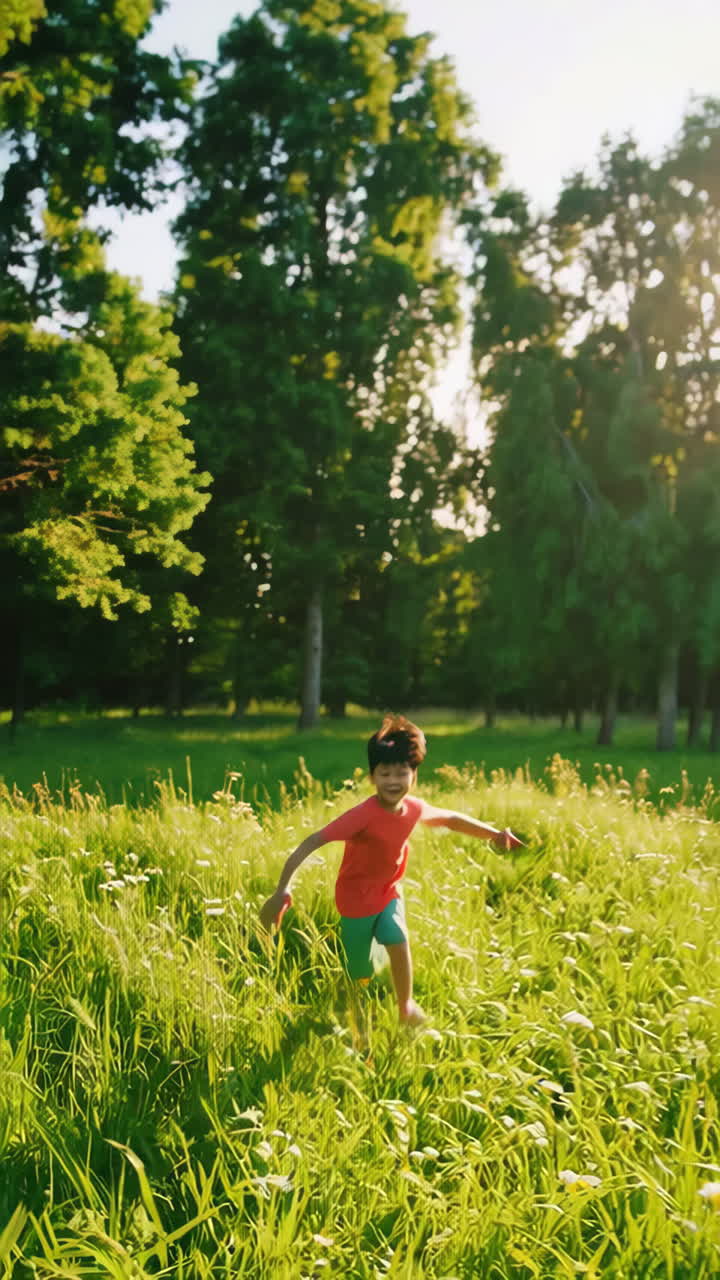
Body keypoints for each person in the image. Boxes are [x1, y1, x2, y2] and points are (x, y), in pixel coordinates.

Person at [259, 714, 523, 1028]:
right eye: (385, 774)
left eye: (402, 773)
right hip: (355, 901)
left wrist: (494, 834)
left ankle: (405, 1007)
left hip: (388, 892)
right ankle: (353, 1013)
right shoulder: (362, 816)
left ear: (414, 775)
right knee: (360, 973)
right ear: (372, 777)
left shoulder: (414, 809)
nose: (394, 781)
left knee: (398, 939)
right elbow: (313, 841)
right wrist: (282, 888)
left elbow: (451, 819)